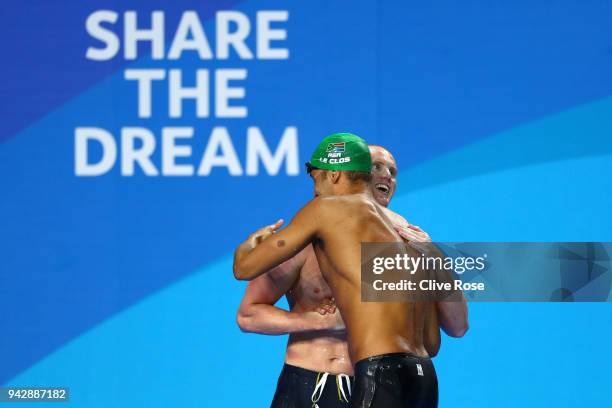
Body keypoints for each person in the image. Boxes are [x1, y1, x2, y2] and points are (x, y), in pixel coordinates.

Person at [234, 133, 466, 407]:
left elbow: (453, 328)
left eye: (392, 171)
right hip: (316, 379)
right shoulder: (306, 238)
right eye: (375, 167)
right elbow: (248, 314)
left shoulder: (410, 239)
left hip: (376, 376)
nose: (384, 176)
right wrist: (316, 321)